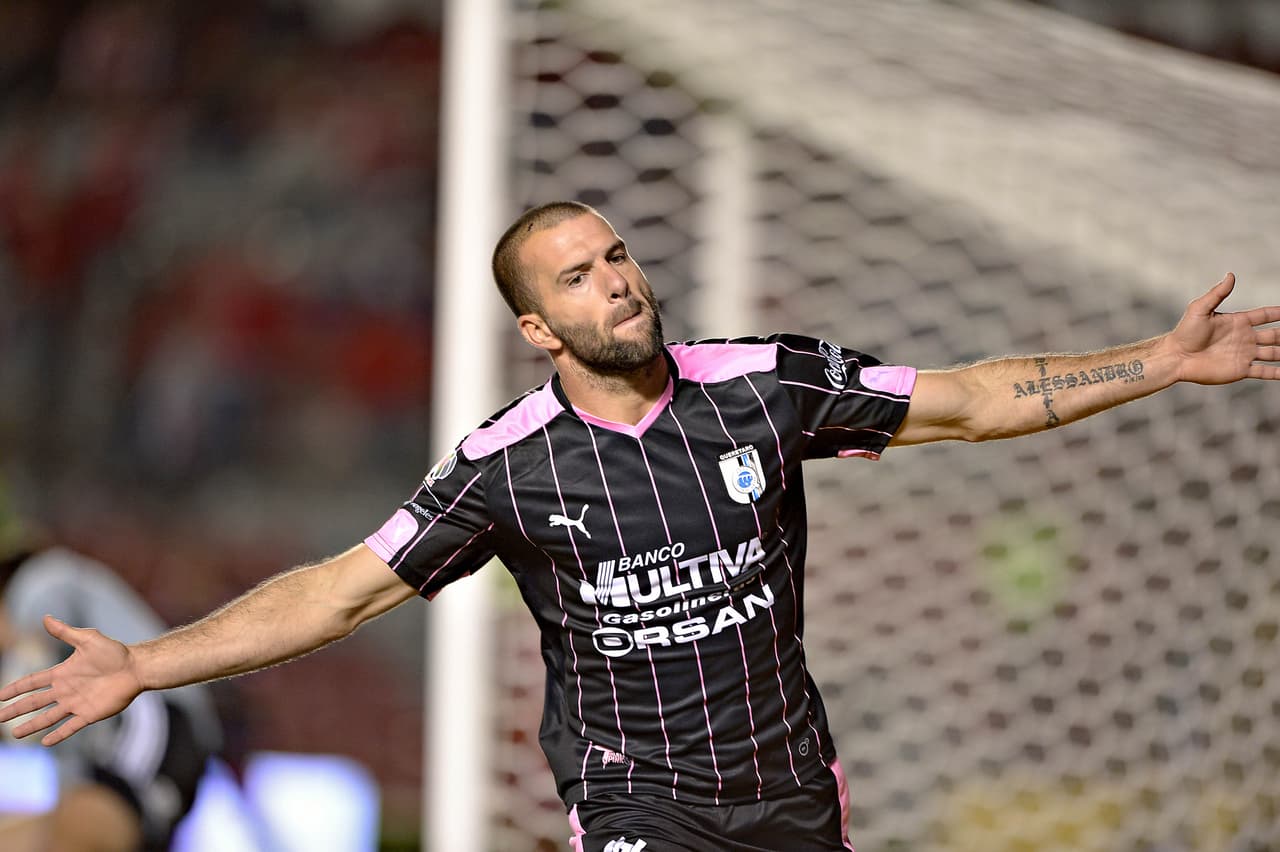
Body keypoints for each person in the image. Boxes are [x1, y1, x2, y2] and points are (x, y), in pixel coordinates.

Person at [1, 201, 1277, 851]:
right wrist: (143, 665)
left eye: (614, 255)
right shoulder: (507, 466)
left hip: (789, 797)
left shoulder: (763, 384)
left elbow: (963, 402)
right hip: (637, 804)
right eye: (576, 276)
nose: (614, 278)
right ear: (538, 331)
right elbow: (339, 592)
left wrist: (1153, 366)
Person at [0, 515, 222, 852]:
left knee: (80, 828)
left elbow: (27, 671)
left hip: (152, 718)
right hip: (129, 746)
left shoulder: (39, 579)